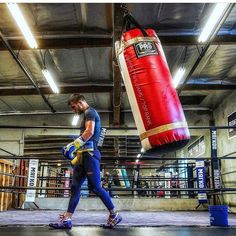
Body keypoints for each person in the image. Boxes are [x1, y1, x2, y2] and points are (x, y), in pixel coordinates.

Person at [49, 94, 122, 229]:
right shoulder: (86, 115)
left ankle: (114, 214)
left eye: (74, 107)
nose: (73, 110)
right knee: (75, 188)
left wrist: (71, 146)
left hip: (90, 155)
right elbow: (84, 139)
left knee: (96, 187)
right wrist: (74, 157)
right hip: (82, 156)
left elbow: (89, 132)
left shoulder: (90, 112)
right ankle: (67, 220)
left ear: (81, 102)